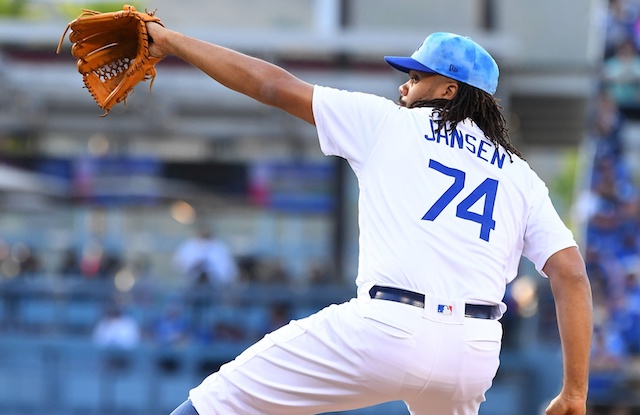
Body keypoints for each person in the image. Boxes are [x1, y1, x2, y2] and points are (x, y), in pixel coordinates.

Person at [146, 23, 593, 415]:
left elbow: (273, 86)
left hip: (387, 329)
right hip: (473, 352)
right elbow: (571, 274)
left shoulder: (388, 125)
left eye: (416, 78)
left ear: (449, 90)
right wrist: (574, 392)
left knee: (216, 402)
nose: (404, 87)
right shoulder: (521, 175)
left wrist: (171, 42)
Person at [173, 226, 239, 288]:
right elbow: (178, 263)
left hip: (214, 284)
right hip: (192, 283)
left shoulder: (220, 247)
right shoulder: (189, 246)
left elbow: (228, 267)